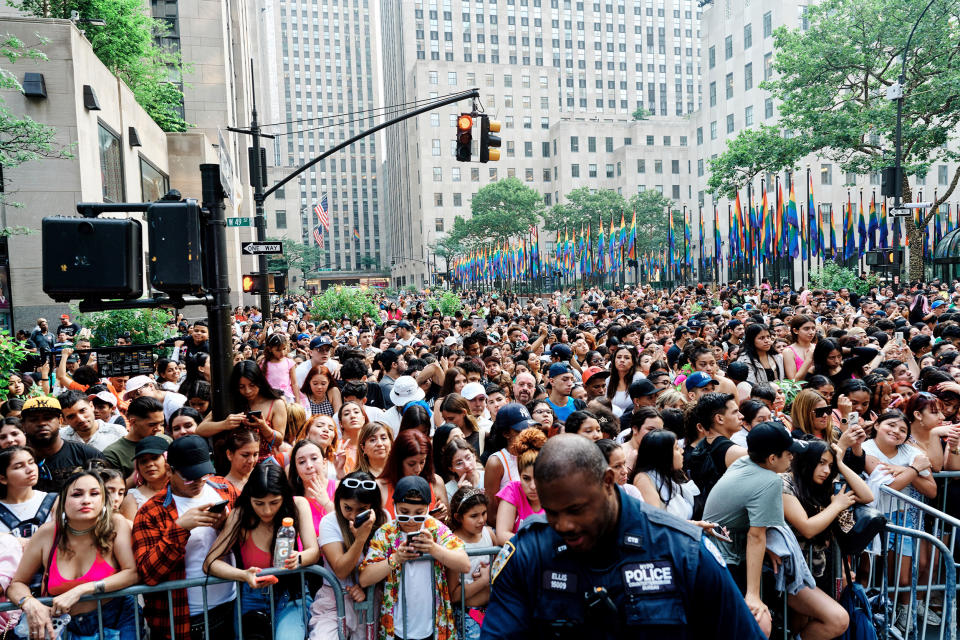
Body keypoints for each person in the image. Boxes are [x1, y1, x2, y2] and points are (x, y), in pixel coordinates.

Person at [481, 434, 766, 639]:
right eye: (552, 512)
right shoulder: (529, 551)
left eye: (576, 509)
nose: (564, 525)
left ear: (607, 482)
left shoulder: (684, 551)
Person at [704, 423, 849, 639]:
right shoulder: (770, 480)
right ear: (772, 459)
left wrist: (770, 546)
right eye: (788, 453)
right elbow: (756, 535)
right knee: (761, 624)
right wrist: (753, 594)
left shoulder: (745, 462)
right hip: (727, 561)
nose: (793, 457)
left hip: (720, 553)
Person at [8, 471, 139, 640]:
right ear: (63, 501)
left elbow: (132, 573)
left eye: (94, 494)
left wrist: (82, 590)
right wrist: (30, 604)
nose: (86, 500)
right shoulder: (48, 533)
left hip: (114, 618)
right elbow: (17, 584)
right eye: (77, 494)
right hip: (63, 625)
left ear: (103, 500)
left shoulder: (116, 524)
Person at [131, 435, 239, 640]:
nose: (198, 482)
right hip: (183, 621)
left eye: (203, 475)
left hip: (231, 606)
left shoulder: (224, 488)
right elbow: (148, 573)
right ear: (170, 470)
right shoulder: (150, 512)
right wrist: (180, 528)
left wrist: (227, 525)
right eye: (189, 477)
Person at [204, 462, 319, 637]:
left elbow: (313, 551)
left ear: (284, 497)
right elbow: (210, 563)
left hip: (291, 595)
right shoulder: (240, 514)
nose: (267, 510)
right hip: (251, 596)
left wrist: (300, 557)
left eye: (274, 502)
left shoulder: (298, 505)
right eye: (259, 503)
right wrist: (243, 575)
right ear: (249, 498)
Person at [358, 475, 471, 640]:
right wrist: (395, 559)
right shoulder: (385, 533)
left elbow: (464, 564)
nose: (411, 520)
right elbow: (365, 579)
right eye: (404, 513)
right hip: (395, 627)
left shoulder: (435, 528)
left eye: (419, 514)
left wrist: (434, 549)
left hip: (434, 625)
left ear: (427, 508)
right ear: (394, 506)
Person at [781, 440, 873, 583]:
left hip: (822, 563)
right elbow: (808, 529)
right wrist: (836, 505)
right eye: (821, 462)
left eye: (830, 465)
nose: (827, 471)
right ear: (807, 460)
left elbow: (867, 496)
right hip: (795, 569)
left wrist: (840, 464)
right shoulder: (784, 483)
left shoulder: (822, 483)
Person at [310, 470, 386, 640]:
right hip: (334, 601)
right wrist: (360, 539)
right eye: (348, 508)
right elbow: (341, 570)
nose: (353, 516)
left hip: (372, 600)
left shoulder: (384, 519)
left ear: (373, 507)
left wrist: (366, 587)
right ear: (338, 502)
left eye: (362, 510)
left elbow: (389, 563)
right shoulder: (330, 521)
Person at [19, 396, 100, 494]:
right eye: (34, 419)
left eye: (48, 418)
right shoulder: (15, 461)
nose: (41, 423)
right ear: (23, 425)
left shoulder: (87, 455)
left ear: (60, 421)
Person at [447, 487, 496, 640]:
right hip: (467, 615)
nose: (481, 520)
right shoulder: (454, 544)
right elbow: (454, 595)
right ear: (458, 517)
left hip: (492, 610)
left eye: (483, 513)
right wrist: (483, 581)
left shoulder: (489, 534)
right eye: (474, 516)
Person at [631, 429, 701, 520]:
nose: (682, 451)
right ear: (663, 454)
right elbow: (655, 521)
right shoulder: (644, 479)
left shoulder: (675, 473)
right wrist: (695, 525)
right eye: (676, 448)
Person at [378, 429, 448, 518]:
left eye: (422, 462)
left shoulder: (435, 482)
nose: (418, 469)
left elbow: (448, 525)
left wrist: (442, 517)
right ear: (398, 461)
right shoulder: (381, 487)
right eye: (411, 464)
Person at [483, 404, 534, 525]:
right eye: (520, 431)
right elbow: (492, 515)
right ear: (506, 433)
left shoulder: (536, 455)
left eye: (529, 428)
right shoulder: (496, 462)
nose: (527, 434)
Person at [495, 427, 546, 542]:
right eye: (526, 478)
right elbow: (502, 535)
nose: (533, 486)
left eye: (538, 478)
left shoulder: (555, 492)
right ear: (519, 474)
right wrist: (538, 545)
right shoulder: (512, 490)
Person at [103, 396, 170, 482]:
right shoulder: (113, 454)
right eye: (152, 425)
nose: (159, 429)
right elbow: (112, 491)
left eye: (161, 424)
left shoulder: (166, 441)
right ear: (133, 422)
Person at [0, 446, 55, 543]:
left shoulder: (54, 501)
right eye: (19, 466)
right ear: (3, 479)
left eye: (31, 462)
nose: (30, 469)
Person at [288, 439, 337, 532]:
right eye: (302, 462)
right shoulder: (292, 498)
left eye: (314, 458)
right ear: (296, 469)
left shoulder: (339, 488)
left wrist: (327, 504)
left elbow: (349, 526)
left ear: (324, 462)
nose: (309, 465)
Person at [57, 390, 126, 451]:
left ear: (91, 406)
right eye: (71, 416)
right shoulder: (60, 438)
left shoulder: (117, 432)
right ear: (64, 419)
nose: (80, 419)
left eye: (83, 411)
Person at [120, 436, 170, 518]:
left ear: (166, 459)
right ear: (138, 467)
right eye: (143, 461)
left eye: (154, 458)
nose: (149, 464)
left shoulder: (183, 489)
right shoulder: (133, 500)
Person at [261, 332, 301, 404]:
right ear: (270, 349)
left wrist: (298, 401)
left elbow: (294, 383)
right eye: (278, 350)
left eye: (284, 348)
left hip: (287, 398)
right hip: (270, 399)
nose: (282, 353)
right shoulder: (264, 363)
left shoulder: (289, 362)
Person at [223, 428, 260, 492]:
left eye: (255, 455)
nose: (251, 460)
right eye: (245, 455)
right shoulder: (222, 487)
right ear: (229, 454)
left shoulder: (263, 477)